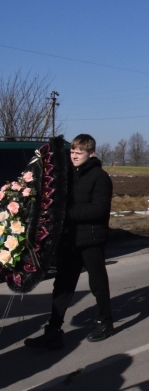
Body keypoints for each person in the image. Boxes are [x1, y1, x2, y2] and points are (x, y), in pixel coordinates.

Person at [25, 134, 114, 349]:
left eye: (79, 152)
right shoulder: (67, 177)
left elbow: (99, 209)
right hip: (69, 239)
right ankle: (54, 330)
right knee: (62, 286)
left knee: (97, 283)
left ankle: (105, 322)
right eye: (72, 151)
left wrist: (66, 213)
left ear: (90, 153)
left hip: (91, 239)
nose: (74, 155)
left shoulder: (100, 177)